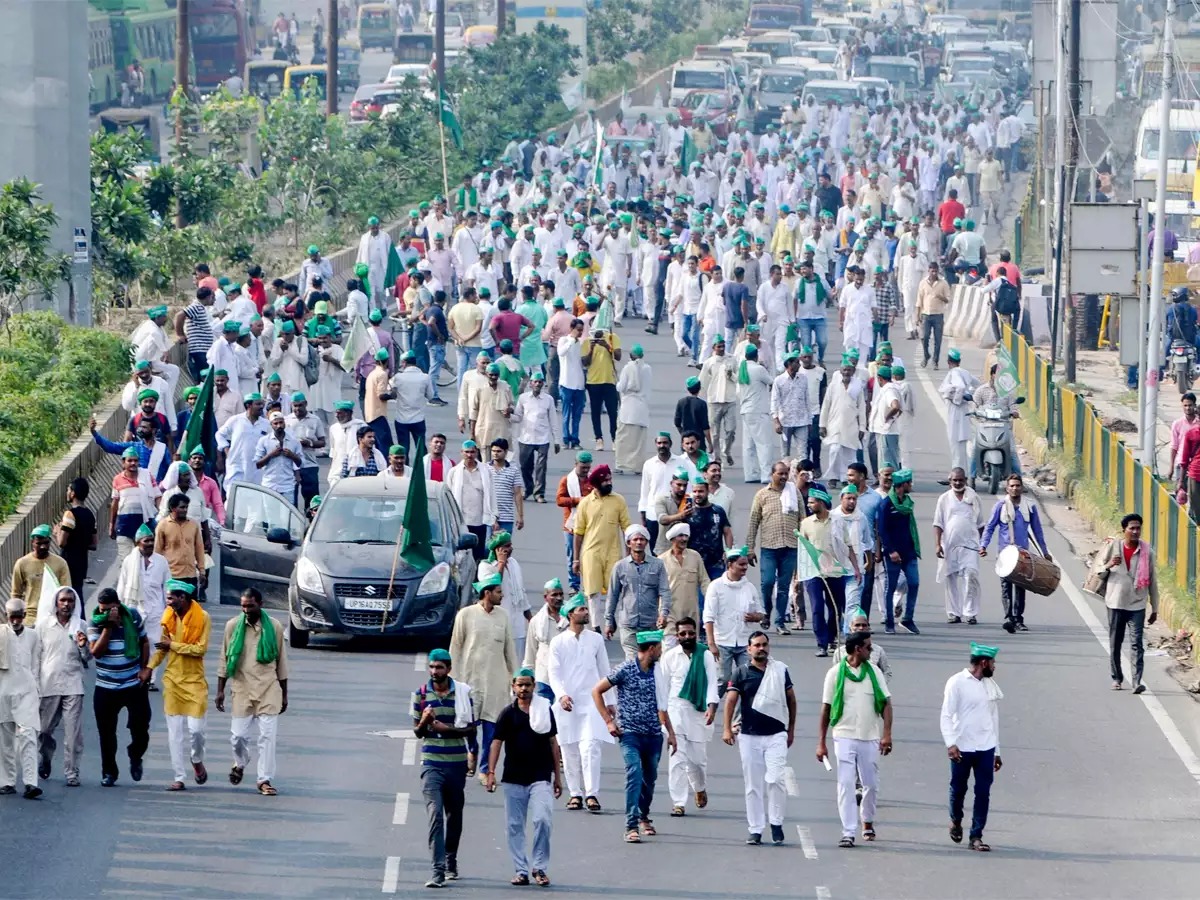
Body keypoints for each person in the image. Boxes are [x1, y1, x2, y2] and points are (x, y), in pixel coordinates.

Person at [591, 628, 676, 844]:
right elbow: (597, 691)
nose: (660, 652)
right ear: (651, 648)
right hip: (630, 733)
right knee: (634, 773)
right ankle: (631, 824)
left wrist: (671, 733)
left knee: (650, 778)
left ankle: (644, 816)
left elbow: (663, 706)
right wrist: (609, 721)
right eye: (659, 648)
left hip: (653, 734)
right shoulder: (626, 669)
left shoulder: (658, 671)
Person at [485, 669, 562, 888]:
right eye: (520, 685)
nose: (524, 689)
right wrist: (491, 773)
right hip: (513, 777)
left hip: (540, 776)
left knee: (542, 820)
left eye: (527, 685)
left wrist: (557, 776)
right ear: (513, 686)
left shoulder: (544, 710)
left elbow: (552, 743)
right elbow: (496, 743)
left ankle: (539, 868)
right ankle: (521, 870)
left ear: (534, 686)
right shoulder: (507, 714)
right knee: (515, 826)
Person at [817, 630, 893, 848]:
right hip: (844, 734)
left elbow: (887, 704)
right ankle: (848, 831)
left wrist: (887, 734)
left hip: (870, 736)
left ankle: (866, 820)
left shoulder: (874, 673)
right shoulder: (834, 674)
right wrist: (821, 742)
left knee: (870, 783)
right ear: (858, 649)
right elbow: (826, 709)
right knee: (846, 783)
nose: (872, 651)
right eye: (868, 647)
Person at [411, 648, 477, 889]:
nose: (434, 672)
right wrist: (426, 722)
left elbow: (471, 729)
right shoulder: (420, 695)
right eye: (431, 667)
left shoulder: (462, 694)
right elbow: (418, 733)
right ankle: (437, 870)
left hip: (456, 763)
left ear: (449, 669)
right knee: (435, 815)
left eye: (439, 667)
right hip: (431, 764)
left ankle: (451, 859)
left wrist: (448, 730)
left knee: (454, 813)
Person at [723, 630, 795, 845]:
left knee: (776, 779)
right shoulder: (741, 673)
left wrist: (790, 730)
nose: (761, 648)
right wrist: (726, 729)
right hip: (749, 736)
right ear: (749, 649)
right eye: (757, 645)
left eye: (764, 644)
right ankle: (755, 828)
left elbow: (791, 700)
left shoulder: (780, 671)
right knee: (753, 785)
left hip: (776, 734)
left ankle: (776, 822)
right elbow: (730, 701)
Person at [216, 587, 288, 795]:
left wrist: (284, 694)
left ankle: (264, 780)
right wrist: (220, 690)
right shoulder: (232, 626)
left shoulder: (274, 627)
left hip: (268, 689)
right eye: (243, 606)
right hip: (242, 689)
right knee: (238, 737)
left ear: (260, 604)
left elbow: (281, 661)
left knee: (267, 737)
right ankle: (240, 762)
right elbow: (224, 658)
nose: (246, 610)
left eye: (250, 605)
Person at [548, 593, 614, 812]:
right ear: (570, 614)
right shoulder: (558, 642)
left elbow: (605, 671)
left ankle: (592, 794)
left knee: (591, 747)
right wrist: (561, 695)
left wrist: (610, 700)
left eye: (586, 609)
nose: (586, 612)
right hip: (567, 702)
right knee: (569, 749)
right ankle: (575, 793)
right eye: (581, 609)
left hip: (593, 702)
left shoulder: (595, 639)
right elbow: (554, 673)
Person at [449, 574, 518, 782]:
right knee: (468, 726)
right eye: (498, 592)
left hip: (496, 684)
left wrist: (516, 679)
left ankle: (485, 769)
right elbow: (456, 647)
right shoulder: (466, 615)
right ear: (487, 593)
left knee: (492, 731)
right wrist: (453, 681)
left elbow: (510, 650)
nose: (502, 595)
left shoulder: (503, 616)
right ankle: (472, 749)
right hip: (469, 682)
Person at [146, 579, 211, 791]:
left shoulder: (203, 618)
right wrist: (149, 668)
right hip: (173, 680)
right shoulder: (169, 618)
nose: (168, 601)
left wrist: (172, 644)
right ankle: (179, 776)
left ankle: (196, 759)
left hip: (194, 681)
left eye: (171, 597)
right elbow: (162, 649)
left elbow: (200, 650)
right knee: (175, 733)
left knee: (196, 731)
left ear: (183, 598)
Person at [940, 642, 1003, 852]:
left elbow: (993, 719)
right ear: (983, 663)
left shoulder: (990, 685)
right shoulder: (956, 682)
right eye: (993, 663)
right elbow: (946, 715)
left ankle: (976, 835)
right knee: (958, 789)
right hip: (962, 746)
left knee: (983, 792)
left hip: (985, 747)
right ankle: (956, 820)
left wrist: (997, 751)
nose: (994, 667)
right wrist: (951, 743)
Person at [88, 587, 151, 786]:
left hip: (133, 683)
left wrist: (144, 669)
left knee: (141, 727)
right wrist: (108, 626)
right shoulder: (96, 621)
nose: (105, 612)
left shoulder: (132, 616)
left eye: (109, 609)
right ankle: (109, 772)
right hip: (106, 686)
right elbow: (96, 652)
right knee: (106, 733)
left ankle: (135, 754)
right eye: (102, 608)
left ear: (117, 605)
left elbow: (144, 642)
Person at [659, 616, 718, 818]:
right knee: (677, 758)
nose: (687, 636)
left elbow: (712, 683)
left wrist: (712, 706)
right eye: (683, 633)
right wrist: (662, 716)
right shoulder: (669, 657)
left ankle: (699, 787)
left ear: (696, 634)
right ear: (677, 636)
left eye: (691, 633)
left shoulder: (706, 655)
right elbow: (662, 688)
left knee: (697, 761)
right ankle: (678, 802)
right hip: (675, 710)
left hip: (698, 712)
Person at [979, 474, 1050, 634]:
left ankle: (1018, 619)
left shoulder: (1029, 506)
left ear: (1022, 487)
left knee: (1021, 587)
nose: (1015, 488)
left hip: (1023, 555)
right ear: (1007, 488)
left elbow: (1037, 531)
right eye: (1012, 486)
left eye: (1017, 485)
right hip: (1004, 555)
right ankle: (1009, 618)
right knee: (1006, 587)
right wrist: (983, 545)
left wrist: (1044, 552)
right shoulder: (1000, 506)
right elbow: (990, 527)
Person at [1099, 513, 1159, 692]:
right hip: (1116, 602)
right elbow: (1099, 572)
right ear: (1123, 530)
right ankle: (1117, 677)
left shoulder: (1147, 551)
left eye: (1138, 528)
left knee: (1137, 643)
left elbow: (1153, 581)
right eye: (1131, 528)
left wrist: (1155, 608)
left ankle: (1136, 681)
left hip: (1137, 604)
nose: (1135, 531)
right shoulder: (1113, 547)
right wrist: (1109, 565)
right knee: (1115, 642)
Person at [798, 488, 860, 656]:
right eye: (809, 502)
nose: (809, 505)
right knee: (817, 607)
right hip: (814, 572)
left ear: (822, 503)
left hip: (835, 570)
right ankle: (821, 643)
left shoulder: (838, 521)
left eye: (812, 502)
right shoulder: (806, 523)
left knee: (835, 608)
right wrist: (797, 575)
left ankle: (832, 637)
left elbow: (848, 546)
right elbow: (802, 549)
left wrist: (856, 569)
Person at [37, 587, 88, 787]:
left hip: (73, 684)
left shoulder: (80, 625)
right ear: (56, 603)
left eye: (70, 601)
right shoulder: (43, 626)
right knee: (43, 730)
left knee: (73, 733)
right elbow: (36, 656)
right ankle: (46, 757)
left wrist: (83, 646)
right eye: (63, 601)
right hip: (48, 684)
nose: (66, 604)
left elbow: (87, 658)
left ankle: (72, 772)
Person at [573, 465, 632, 628]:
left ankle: (612, 621)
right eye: (605, 480)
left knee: (615, 590)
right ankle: (596, 627)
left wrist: (629, 556)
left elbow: (627, 529)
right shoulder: (585, 503)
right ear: (596, 483)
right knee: (593, 592)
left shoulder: (619, 500)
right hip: (591, 553)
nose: (609, 482)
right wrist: (576, 560)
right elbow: (578, 533)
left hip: (613, 553)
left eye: (610, 479)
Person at [745, 463, 800, 634]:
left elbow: (803, 518)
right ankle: (766, 612)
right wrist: (749, 548)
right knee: (767, 583)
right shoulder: (762, 495)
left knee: (784, 587)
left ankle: (780, 622)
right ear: (772, 474)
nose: (783, 477)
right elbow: (754, 521)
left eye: (786, 473)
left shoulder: (793, 492)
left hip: (791, 546)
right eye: (780, 473)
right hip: (769, 546)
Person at [703, 547, 766, 696]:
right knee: (723, 680)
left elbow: (761, 613)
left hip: (744, 642)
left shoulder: (749, 587)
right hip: (722, 642)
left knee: (746, 681)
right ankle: (708, 712)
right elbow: (709, 617)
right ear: (730, 565)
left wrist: (755, 617)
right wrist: (711, 644)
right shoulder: (716, 587)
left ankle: (739, 719)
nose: (745, 568)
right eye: (741, 564)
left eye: (746, 565)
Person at [606, 525, 672, 660]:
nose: (639, 542)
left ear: (646, 542)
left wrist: (663, 614)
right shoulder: (620, 566)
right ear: (628, 543)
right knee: (633, 662)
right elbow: (613, 595)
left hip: (650, 625)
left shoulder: (657, 565)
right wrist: (609, 621)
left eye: (642, 539)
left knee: (650, 661)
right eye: (635, 539)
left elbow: (665, 591)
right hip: (628, 624)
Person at [116, 523, 170, 690]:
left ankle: (151, 678)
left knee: (155, 644)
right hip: (133, 609)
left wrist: (170, 610)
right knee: (134, 643)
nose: (150, 544)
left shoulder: (161, 562)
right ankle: (134, 675)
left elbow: (167, 587)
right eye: (146, 541)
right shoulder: (129, 562)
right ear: (138, 542)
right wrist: (119, 610)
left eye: (152, 541)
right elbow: (122, 586)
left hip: (155, 610)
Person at [0, 597, 42, 798]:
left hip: (26, 692)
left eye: (19, 616)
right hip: (3, 691)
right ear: (6, 616)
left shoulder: (33, 636)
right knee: (5, 739)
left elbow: (36, 665)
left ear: (25, 616)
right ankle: (7, 782)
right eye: (12, 616)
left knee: (28, 735)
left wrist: (37, 691)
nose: (16, 620)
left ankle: (30, 783)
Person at [934, 470, 985, 624]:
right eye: (955, 480)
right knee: (950, 578)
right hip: (949, 544)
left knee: (971, 576)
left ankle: (970, 613)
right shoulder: (944, 499)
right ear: (950, 481)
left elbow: (981, 524)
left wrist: (982, 544)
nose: (957, 483)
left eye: (960, 480)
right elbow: (938, 523)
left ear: (966, 480)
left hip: (970, 546)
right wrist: (937, 544)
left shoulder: (974, 497)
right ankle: (954, 613)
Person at [876, 468, 921, 635]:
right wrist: (890, 550)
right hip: (893, 554)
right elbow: (882, 530)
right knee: (891, 587)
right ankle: (889, 621)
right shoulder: (886, 504)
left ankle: (908, 618)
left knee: (914, 583)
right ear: (902, 485)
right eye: (909, 483)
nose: (911, 486)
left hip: (909, 552)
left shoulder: (907, 502)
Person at [477, 532, 531, 661]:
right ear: (497, 549)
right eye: (507, 546)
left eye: (511, 545)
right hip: (497, 625)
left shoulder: (514, 563)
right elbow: (494, 585)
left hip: (517, 627)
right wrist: (501, 563)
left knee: (516, 664)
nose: (510, 549)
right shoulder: (485, 566)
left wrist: (530, 618)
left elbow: (521, 592)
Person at [10, 524, 72, 621]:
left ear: (50, 542)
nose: (43, 547)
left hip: (52, 615)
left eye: (46, 543)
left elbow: (67, 590)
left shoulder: (60, 563)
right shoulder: (22, 563)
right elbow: (16, 593)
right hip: (30, 616)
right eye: (39, 544)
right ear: (32, 543)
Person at [513, 372, 559, 502]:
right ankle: (528, 488)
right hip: (525, 438)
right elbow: (517, 417)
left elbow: (553, 421)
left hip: (542, 439)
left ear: (543, 384)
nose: (538, 384)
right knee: (525, 466)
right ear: (531, 384)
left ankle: (539, 493)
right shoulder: (523, 398)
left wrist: (556, 441)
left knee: (541, 467)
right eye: (535, 382)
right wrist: (508, 415)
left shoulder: (548, 399)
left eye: (540, 382)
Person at [820, 357, 866, 482]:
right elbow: (826, 405)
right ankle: (833, 477)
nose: (846, 372)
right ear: (840, 371)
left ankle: (846, 478)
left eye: (849, 370)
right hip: (834, 424)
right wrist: (822, 425)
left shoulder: (857, 387)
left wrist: (862, 427)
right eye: (844, 370)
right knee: (834, 450)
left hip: (851, 426)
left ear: (853, 371)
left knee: (849, 455)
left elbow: (862, 407)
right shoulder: (833, 386)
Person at [737, 344, 777, 482]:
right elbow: (772, 381)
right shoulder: (758, 369)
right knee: (764, 443)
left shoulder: (742, 369)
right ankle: (766, 475)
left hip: (746, 410)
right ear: (756, 355)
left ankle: (751, 474)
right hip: (758, 410)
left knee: (748, 445)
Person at [154, 494, 206, 596]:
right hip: (172, 576)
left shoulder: (193, 524)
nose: (185, 510)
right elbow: (157, 551)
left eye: (186, 507)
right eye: (182, 507)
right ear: (173, 508)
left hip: (190, 575)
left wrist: (202, 570)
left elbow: (199, 549)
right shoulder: (163, 525)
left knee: (191, 608)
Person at [523, 579, 565, 702]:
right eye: (554, 595)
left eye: (561, 594)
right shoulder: (537, 621)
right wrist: (527, 675)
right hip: (544, 676)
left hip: (567, 675)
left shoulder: (571, 617)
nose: (559, 598)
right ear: (545, 597)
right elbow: (530, 651)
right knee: (545, 714)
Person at [939, 350, 980, 473]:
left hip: (955, 410)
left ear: (948, 362)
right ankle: (962, 472)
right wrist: (969, 394)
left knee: (955, 444)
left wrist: (957, 399)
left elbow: (961, 386)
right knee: (960, 445)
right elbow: (977, 383)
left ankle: (957, 472)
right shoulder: (964, 372)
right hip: (963, 410)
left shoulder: (954, 373)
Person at [583, 328, 621, 451]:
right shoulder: (587, 341)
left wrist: (607, 346)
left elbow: (618, 356)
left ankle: (615, 439)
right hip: (593, 382)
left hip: (609, 380)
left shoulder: (612, 337)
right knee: (595, 412)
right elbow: (585, 362)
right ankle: (598, 438)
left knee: (612, 412)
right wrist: (591, 349)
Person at [615, 344, 651, 474]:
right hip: (642, 409)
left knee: (623, 439)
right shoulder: (647, 368)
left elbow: (622, 387)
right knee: (639, 441)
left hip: (628, 408)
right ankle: (638, 467)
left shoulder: (627, 368)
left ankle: (621, 465)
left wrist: (617, 383)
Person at [772, 351, 812, 457]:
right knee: (785, 453)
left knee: (803, 452)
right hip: (785, 422)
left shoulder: (803, 378)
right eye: (796, 362)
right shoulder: (779, 380)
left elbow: (806, 399)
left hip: (801, 421)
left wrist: (809, 421)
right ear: (789, 364)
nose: (799, 365)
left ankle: (803, 473)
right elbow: (775, 401)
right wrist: (776, 421)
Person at [917, 261, 951, 369]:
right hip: (926, 314)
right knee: (924, 337)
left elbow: (948, 299)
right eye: (932, 271)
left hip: (938, 315)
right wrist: (917, 315)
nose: (934, 273)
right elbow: (919, 300)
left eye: (936, 271)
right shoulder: (923, 283)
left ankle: (935, 361)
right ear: (929, 271)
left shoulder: (943, 283)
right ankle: (926, 355)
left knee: (938, 340)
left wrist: (940, 296)